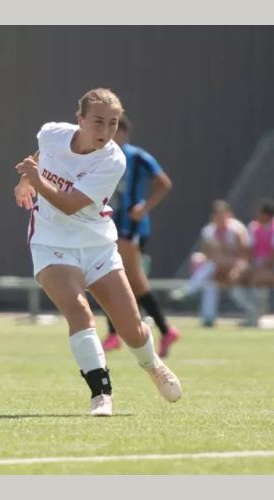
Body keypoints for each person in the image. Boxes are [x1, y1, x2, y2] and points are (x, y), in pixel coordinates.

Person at [13, 88, 181, 416]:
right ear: (80, 120)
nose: (106, 131)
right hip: (51, 243)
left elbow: (69, 205)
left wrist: (36, 180)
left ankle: (152, 364)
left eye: (113, 123)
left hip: (98, 246)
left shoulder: (113, 160)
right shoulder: (52, 133)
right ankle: (101, 394)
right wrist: (25, 181)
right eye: (98, 121)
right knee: (79, 312)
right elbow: (41, 154)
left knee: (132, 330)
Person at [99, 114, 181, 357]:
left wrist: (144, 208)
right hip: (110, 226)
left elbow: (164, 183)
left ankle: (118, 333)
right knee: (120, 280)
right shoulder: (103, 156)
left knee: (124, 279)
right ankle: (163, 330)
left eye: (114, 129)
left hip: (130, 228)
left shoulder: (136, 156)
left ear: (124, 133)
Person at [169, 200, 250, 326]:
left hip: (236, 267)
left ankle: (190, 289)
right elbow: (208, 255)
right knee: (209, 281)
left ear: (229, 215)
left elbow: (244, 255)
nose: (220, 218)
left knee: (214, 271)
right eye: (217, 215)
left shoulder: (237, 230)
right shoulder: (208, 231)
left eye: (223, 215)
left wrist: (236, 268)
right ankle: (208, 318)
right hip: (217, 267)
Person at [231, 198, 274, 327]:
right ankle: (251, 310)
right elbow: (249, 251)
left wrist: (256, 269)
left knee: (257, 279)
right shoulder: (253, 227)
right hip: (259, 267)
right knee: (235, 277)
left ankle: (258, 316)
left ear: (266, 214)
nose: (256, 215)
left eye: (258, 212)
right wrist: (245, 268)